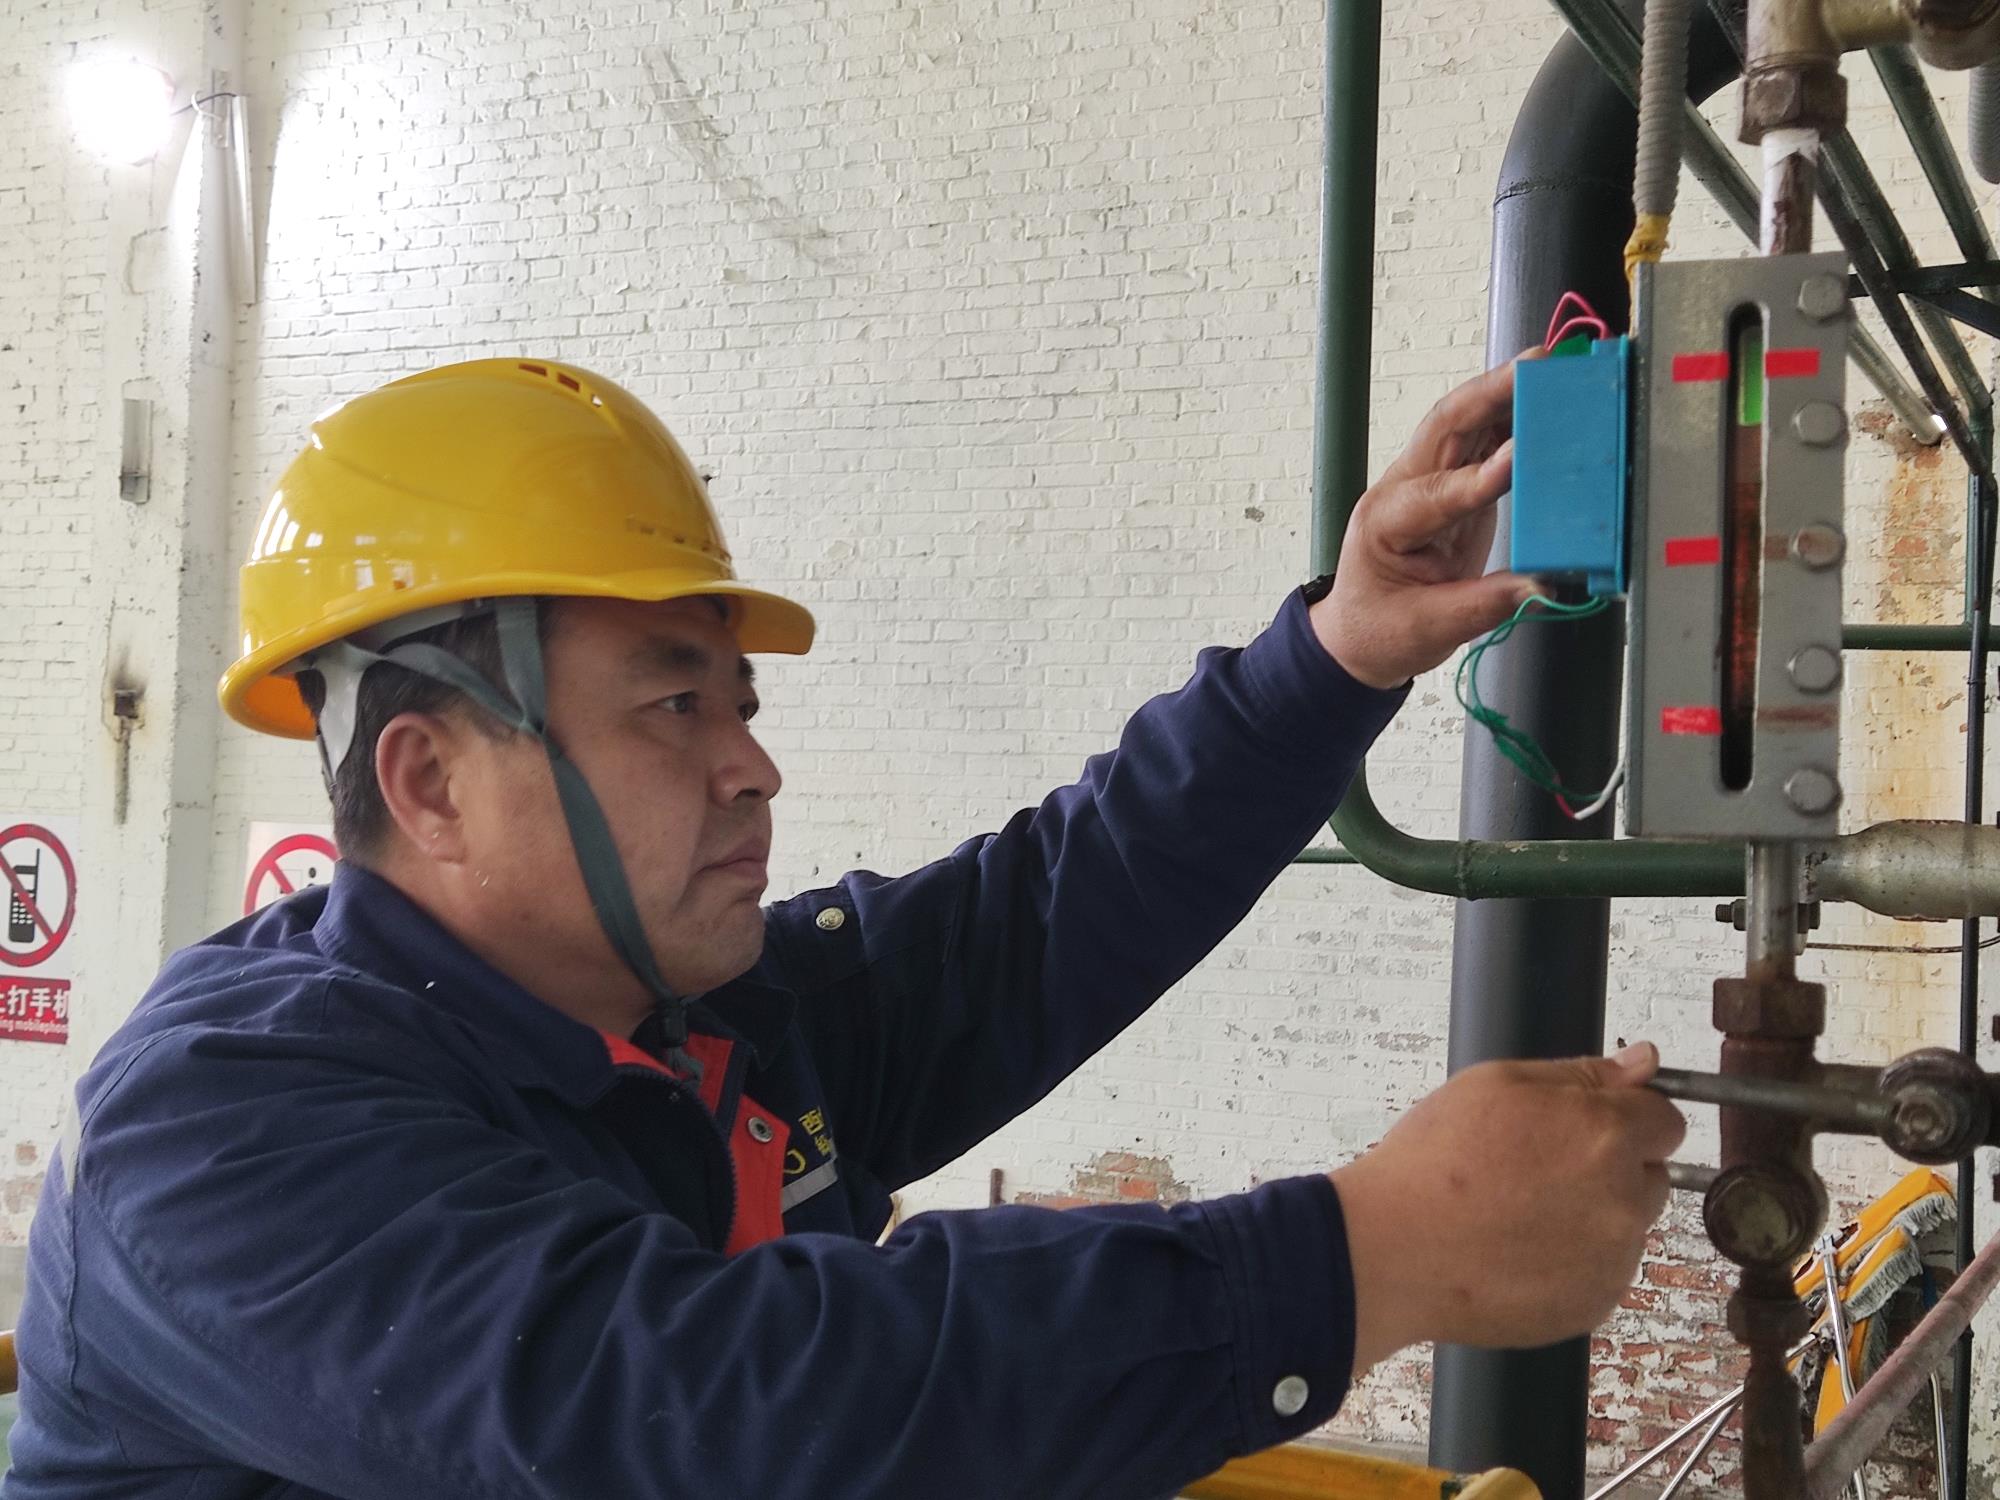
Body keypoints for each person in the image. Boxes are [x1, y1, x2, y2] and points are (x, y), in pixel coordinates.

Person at [3, 355, 1682, 1500]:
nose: (753, 768)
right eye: (674, 707)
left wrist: (1337, 653)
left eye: (740, 706)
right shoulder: (218, 1132)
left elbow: (1045, 914)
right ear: (431, 781)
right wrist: (1361, 1256)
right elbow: (702, 1416)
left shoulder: (698, 1019)